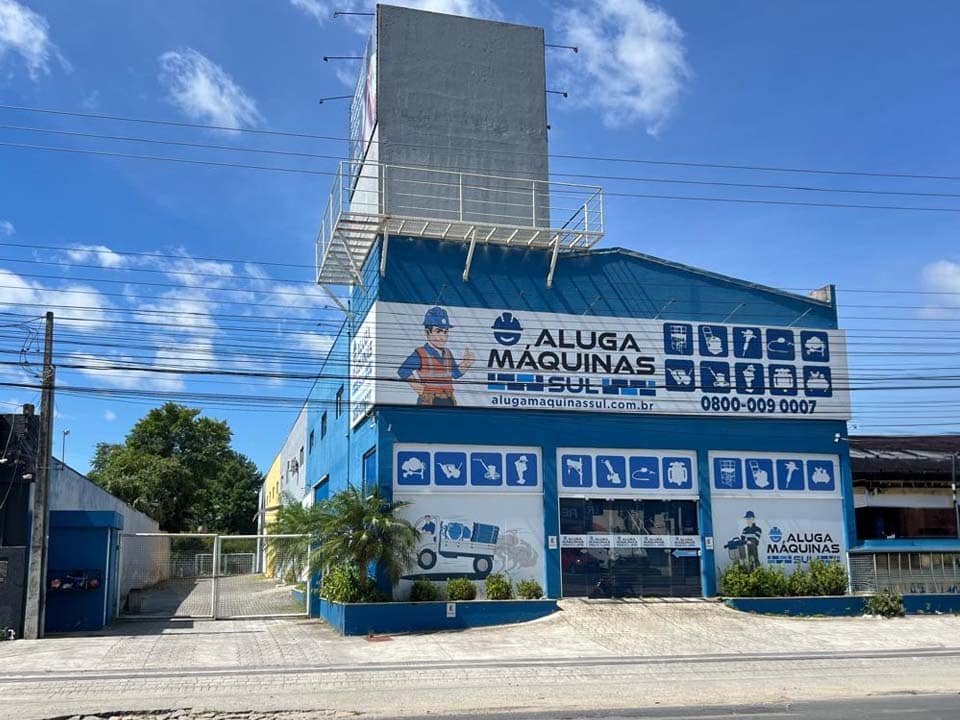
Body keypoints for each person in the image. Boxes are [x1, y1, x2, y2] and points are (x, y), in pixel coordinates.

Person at [397, 306, 475, 406]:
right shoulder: (420, 353)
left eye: (445, 332)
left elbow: (455, 374)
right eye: (438, 331)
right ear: (427, 332)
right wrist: (422, 391)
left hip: (449, 400)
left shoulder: (448, 353)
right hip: (429, 401)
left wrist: (466, 364)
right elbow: (403, 371)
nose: (443, 336)